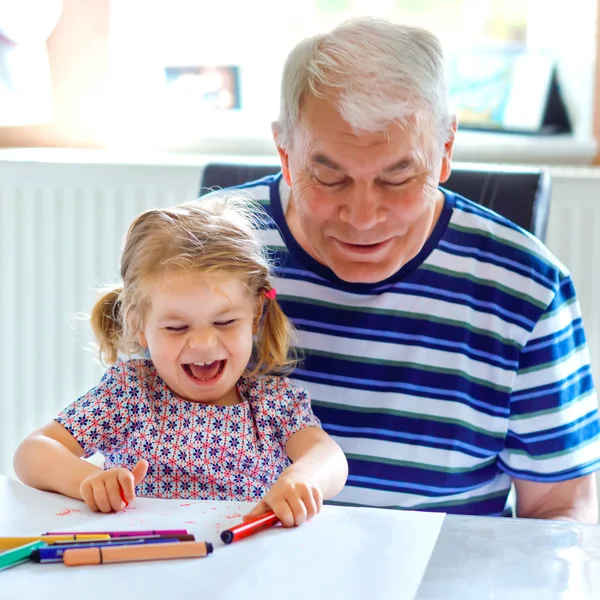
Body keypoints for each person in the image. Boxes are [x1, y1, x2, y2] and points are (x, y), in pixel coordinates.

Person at [203, 17, 600, 521]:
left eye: (398, 177)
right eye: (329, 176)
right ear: (285, 152)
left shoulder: (527, 288)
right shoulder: (208, 253)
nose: (363, 218)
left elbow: (560, 509)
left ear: (445, 151)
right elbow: (135, 433)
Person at [13, 196, 348, 527]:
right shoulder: (130, 392)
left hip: (239, 567)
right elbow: (33, 452)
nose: (203, 343)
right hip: (142, 564)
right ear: (139, 326)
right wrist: (87, 480)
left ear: (255, 314)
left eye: (224, 323)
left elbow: (330, 458)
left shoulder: (271, 402)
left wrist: (303, 478)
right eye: (177, 327)